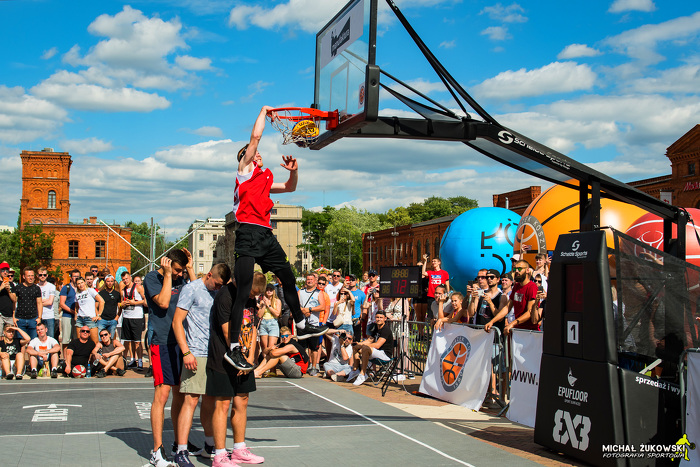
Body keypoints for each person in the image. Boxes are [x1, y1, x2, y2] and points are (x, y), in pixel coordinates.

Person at [225, 105, 328, 372]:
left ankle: (301, 324)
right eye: (252, 153)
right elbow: (255, 137)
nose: (257, 154)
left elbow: (290, 187)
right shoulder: (244, 171)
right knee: (243, 291)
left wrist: (294, 170)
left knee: (289, 278)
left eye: (257, 154)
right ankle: (233, 347)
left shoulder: (264, 179)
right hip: (247, 233)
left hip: (265, 235)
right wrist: (263, 112)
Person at [172, 263, 230, 466]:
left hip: (215, 353)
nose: (218, 288)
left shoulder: (219, 292)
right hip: (196, 352)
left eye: (222, 286)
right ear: (209, 275)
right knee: (191, 400)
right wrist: (186, 352)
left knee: (210, 401)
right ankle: (181, 450)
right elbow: (177, 322)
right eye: (217, 284)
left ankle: (209, 445)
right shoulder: (191, 289)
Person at [143, 249, 196, 467]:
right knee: (162, 394)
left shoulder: (182, 278)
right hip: (161, 341)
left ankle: (178, 442)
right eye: (177, 270)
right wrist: (167, 274)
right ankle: (157, 450)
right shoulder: (151, 278)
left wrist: (190, 269)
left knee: (180, 394)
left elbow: (198, 293)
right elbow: (164, 303)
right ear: (167, 263)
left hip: (180, 341)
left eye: (181, 271)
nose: (179, 274)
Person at [206, 272, 265, 466]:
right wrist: (237, 358)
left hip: (244, 357)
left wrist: (249, 358)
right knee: (223, 404)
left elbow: (253, 327)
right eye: (252, 293)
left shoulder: (250, 298)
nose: (253, 297)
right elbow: (226, 331)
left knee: (242, 401)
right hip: (224, 358)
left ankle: (239, 449)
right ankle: (220, 455)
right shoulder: (225, 296)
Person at [484, 260, 540, 335]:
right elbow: (507, 307)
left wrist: (512, 323)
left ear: (527, 270)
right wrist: (492, 321)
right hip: (518, 330)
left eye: (519, 269)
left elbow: (530, 312)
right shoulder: (516, 286)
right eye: (515, 269)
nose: (516, 271)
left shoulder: (532, 287)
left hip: (530, 332)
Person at [347, 310, 394, 387]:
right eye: (377, 317)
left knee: (365, 348)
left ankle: (363, 374)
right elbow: (370, 340)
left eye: (381, 317)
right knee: (356, 347)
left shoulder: (386, 330)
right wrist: (358, 344)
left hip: (385, 355)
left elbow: (377, 345)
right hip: (376, 353)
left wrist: (362, 346)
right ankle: (355, 369)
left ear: (385, 318)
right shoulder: (376, 327)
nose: (379, 319)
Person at [298, 273, 325, 376]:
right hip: (302, 324)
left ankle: (313, 366)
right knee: (302, 347)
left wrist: (310, 309)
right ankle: (303, 366)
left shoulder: (319, 293)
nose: (309, 281)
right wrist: (303, 310)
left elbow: (322, 306)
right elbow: (296, 305)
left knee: (314, 347)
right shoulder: (300, 292)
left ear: (315, 281)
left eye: (311, 279)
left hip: (314, 324)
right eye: (308, 279)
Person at [120, 271, 147, 370]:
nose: (125, 281)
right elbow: (121, 303)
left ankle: (140, 361)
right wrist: (122, 304)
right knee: (129, 340)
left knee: (137, 341)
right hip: (126, 317)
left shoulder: (138, 287)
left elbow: (146, 301)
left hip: (137, 317)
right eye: (123, 280)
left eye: (127, 279)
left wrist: (134, 303)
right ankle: (132, 360)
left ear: (130, 278)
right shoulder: (123, 290)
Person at [13, 267, 42, 340]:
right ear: (24, 276)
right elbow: (14, 302)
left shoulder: (36, 288)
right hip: (20, 319)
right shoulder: (18, 287)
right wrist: (13, 317)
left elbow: (39, 303)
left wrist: (39, 317)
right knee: (21, 341)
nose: (31, 278)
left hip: (33, 319)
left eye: (32, 275)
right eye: (28, 276)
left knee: (33, 341)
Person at [75, 277, 105, 344]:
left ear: (85, 282)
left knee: (95, 342)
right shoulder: (77, 294)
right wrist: (76, 315)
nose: (81, 285)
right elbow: (77, 306)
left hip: (90, 318)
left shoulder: (90, 291)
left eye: (82, 282)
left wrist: (98, 315)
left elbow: (102, 301)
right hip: (80, 319)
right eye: (78, 283)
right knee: (80, 341)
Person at [59, 269, 80, 356]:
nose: (76, 278)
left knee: (76, 339)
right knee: (66, 340)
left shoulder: (81, 288)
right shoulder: (66, 288)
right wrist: (73, 312)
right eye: (74, 276)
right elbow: (62, 304)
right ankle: (65, 359)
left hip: (78, 318)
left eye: (78, 276)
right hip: (67, 316)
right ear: (71, 277)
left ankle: (74, 358)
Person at [257, 283, 281, 360]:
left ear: (273, 291)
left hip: (273, 323)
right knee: (264, 348)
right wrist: (264, 305)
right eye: (267, 290)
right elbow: (259, 315)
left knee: (271, 348)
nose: (269, 291)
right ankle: (265, 363)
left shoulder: (277, 301)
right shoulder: (262, 301)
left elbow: (277, 314)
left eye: (271, 290)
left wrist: (269, 306)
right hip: (264, 323)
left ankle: (271, 365)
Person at [36, 267, 57, 338]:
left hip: (49, 316)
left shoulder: (51, 286)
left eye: (44, 275)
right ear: (37, 276)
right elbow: (34, 302)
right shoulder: (35, 287)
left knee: (50, 337)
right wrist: (45, 300)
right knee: (39, 338)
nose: (42, 276)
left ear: (47, 275)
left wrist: (39, 302)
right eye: (40, 275)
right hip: (38, 316)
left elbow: (50, 302)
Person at [346, 275, 365, 339]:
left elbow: (364, 306)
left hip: (356, 319)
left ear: (356, 281)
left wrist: (362, 319)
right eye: (350, 280)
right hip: (346, 319)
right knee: (346, 339)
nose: (351, 281)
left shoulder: (361, 293)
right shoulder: (345, 292)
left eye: (353, 280)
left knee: (356, 339)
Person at [0, 262, 17, 330]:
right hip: (0, 315)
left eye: (7, 270)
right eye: (3, 270)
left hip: (9, 315)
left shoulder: (11, 284)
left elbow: (14, 300)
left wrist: (9, 290)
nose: (5, 272)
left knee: (10, 335)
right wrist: (1, 287)